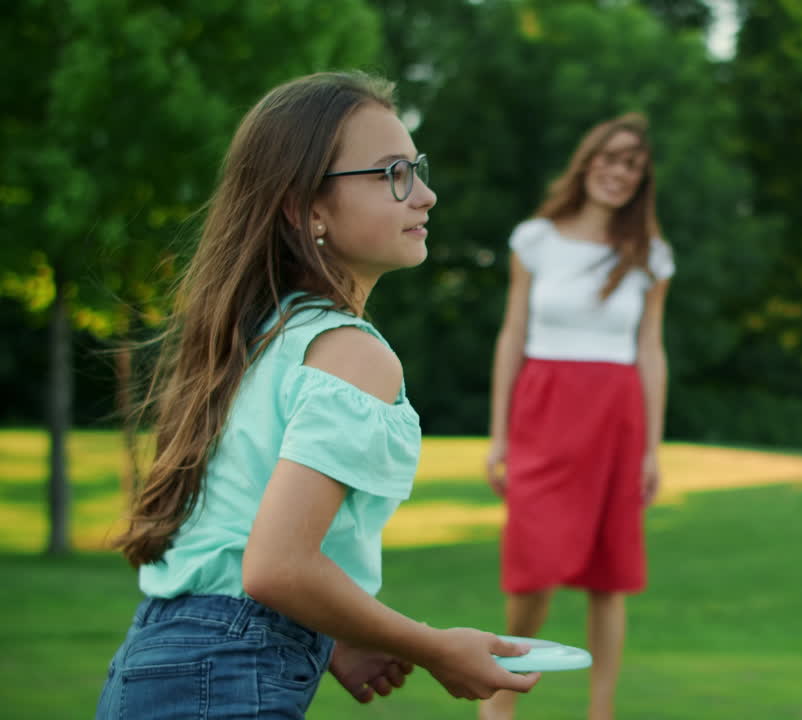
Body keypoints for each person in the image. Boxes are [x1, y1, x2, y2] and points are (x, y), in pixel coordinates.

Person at [95, 71, 539, 719]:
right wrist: (437, 648)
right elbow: (275, 566)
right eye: (392, 174)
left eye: (416, 169)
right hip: (224, 674)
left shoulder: (260, 338)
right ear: (306, 209)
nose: (425, 194)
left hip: (158, 660)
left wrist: (331, 638)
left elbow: (230, 542)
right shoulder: (352, 354)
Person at [480, 112, 674, 720]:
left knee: (609, 575)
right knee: (533, 565)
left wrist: (652, 449)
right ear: (588, 161)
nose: (619, 172)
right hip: (544, 410)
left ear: (642, 180)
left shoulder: (650, 256)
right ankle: (500, 700)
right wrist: (498, 436)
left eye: (633, 165)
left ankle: (600, 711)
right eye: (610, 158)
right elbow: (512, 334)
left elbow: (651, 350)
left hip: (617, 415)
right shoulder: (536, 240)